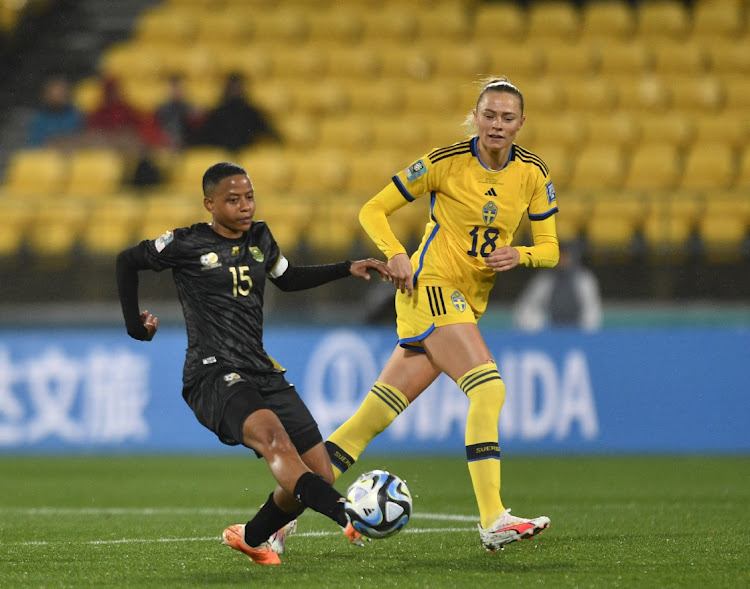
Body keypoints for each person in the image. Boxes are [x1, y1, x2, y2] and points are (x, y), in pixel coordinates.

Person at [284, 76, 560, 554]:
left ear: (521, 123)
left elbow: (551, 248)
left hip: (465, 301)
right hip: (429, 287)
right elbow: (373, 210)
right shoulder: (443, 162)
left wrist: (523, 255)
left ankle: (274, 521)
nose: (497, 124)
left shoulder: (534, 173)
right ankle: (493, 518)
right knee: (489, 388)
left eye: (507, 117)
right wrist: (395, 253)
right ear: (475, 117)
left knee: (367, 420)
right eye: (489, 115)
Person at [115, 161, 393, 565]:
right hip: (212, 373)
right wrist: (134, 326)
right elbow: (126, 261)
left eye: (249, 197)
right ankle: (346, 513)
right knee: (277, 443)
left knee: (319, 474)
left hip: (261, 369)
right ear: (210, 203)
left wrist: (345, 268)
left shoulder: (261, 236)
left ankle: (251, 535)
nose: (245, 206)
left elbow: (288, 277)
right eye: (233, 200)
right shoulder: (186, 243)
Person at [513, 240, 602, 331]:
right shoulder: (544, 280)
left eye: (565, 257)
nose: (562, 260)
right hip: (549, 331)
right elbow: (525, 308)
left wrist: (583, 331)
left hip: (578, 332)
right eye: (559, 257)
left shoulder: (584, 280)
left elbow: (592, 311)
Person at [195, 73, 279, 151]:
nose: (235, 91)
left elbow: (268, 131)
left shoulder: (250, 112)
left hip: (245, 155)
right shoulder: (217, 112)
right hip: (222, 155)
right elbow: (204, 138)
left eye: (237, 88)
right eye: (233, 88)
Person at [27, 75, 84, 147]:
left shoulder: (76, 116)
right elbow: (35, 144)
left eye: (62, 92)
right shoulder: (38, 119)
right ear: (46, 95)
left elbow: (83, 138)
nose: (58, 97)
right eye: (54, 93)